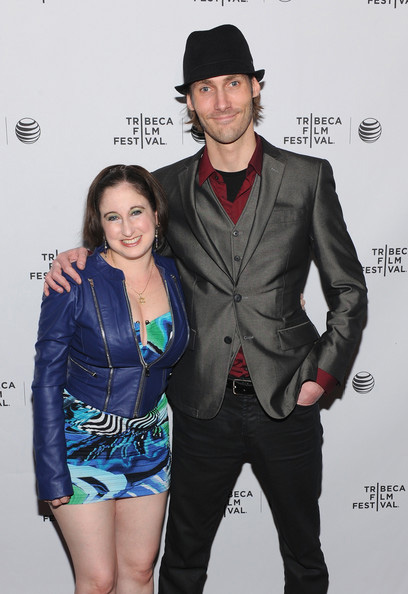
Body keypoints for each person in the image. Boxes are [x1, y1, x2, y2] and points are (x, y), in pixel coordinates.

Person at [44, 25, 368, 594]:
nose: (221, 101)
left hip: (289, 400)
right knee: (181, 562)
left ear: (256, 89)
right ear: (190, 102)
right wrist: (81, 254)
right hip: (199, 407)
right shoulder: (166, 187)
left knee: (305, 557)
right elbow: (131, 252)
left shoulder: (308, 177)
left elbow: (349, 289)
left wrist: (321, 376)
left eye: (233, 84)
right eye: (205, 88)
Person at [32, 164, 189, 594]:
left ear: (157, 214)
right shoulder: (74, 280)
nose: (127, 228)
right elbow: (45, 380)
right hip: (82, 440)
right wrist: (49, 472)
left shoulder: (177, 274)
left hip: (150, 438)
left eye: (136, 211)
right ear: (98, 224)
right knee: (98, 580)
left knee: (139, 572)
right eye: (112, 217)